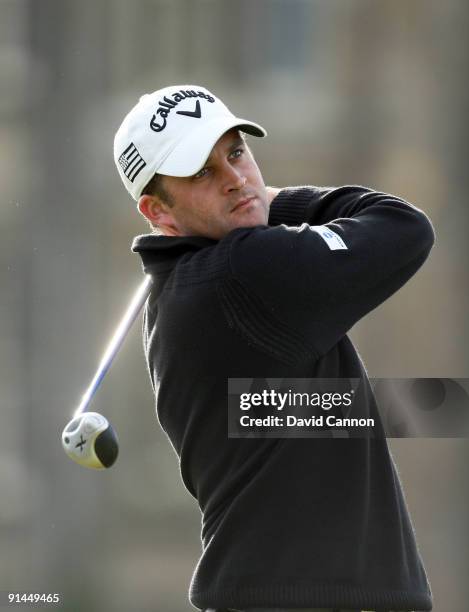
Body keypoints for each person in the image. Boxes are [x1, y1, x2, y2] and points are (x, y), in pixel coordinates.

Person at [113, 85, 435, 612]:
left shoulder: (185, 293)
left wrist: (437, 407)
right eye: (201, 173)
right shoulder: (243, 271)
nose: (236, 179)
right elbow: (404, 227)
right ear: (158, 211)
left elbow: (300, 412)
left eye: (236, 152)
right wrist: (278, 202)